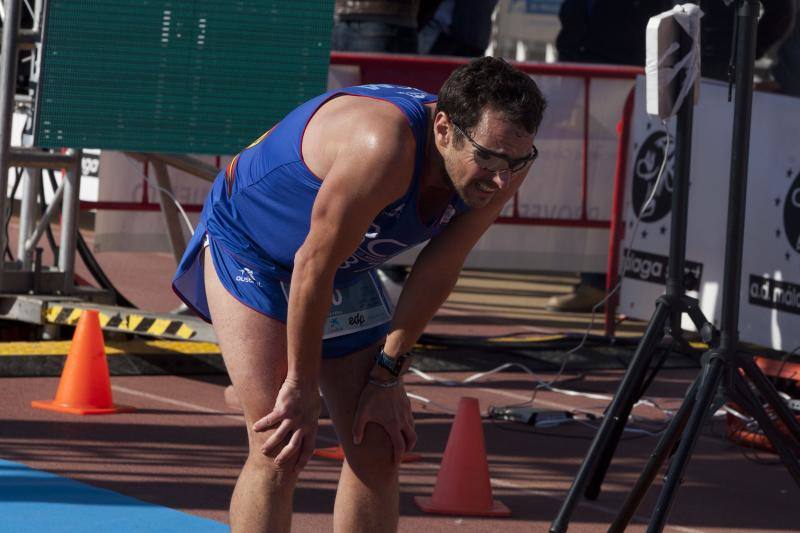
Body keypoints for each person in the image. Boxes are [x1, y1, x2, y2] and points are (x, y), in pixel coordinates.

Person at [172, 56, 546, 532]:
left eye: (516, 163)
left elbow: (439, 267)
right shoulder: (380, 147)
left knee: (378, 443)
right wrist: (301, 385)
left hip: (341, 262)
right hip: (253, 250)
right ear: (444, 130)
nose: (501, 181)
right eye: (489, 160)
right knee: (280, 444)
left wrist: (389, 375)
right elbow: (312, 268)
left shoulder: (506, 156)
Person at [550, 0, 794, 313]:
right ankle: (598, 281)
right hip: (625, 68)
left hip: (705, 74)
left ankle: (701, 298)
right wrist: (573, 56)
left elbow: (781, 11)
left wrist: (740, 53)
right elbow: (575, 13)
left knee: (702, 189)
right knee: (610, 183)